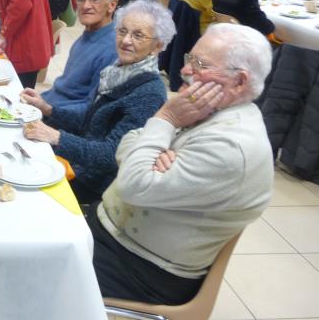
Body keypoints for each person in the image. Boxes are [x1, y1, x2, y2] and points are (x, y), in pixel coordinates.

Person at [89, 24, 273, 305]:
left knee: (29, 266)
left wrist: (166, 120)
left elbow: (132, 184)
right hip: (112, 234)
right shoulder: (207, 106)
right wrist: (150, 152)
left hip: (142, 269)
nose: (185, 70)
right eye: (190, 58)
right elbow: (129, 140)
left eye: (200, 64)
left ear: (239, 81)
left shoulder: (232, 146)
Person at [22, 0, 173, 203]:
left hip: (94, 184)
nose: (126, 40)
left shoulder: (149, 94)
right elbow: (91, 119)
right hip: (80, 162)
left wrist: (55, 136)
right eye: (122, 31)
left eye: (138, 35)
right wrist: (48, 108)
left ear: (158, 46)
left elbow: (111, 155)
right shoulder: (116, 71)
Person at [20, 0, 118, 120]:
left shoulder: (111, 50)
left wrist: (47, 108)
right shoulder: (87, 37)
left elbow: (93, 110)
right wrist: (40, 99)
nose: (86, 6)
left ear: (112, 5)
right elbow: (66, 88)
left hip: (60, 121)